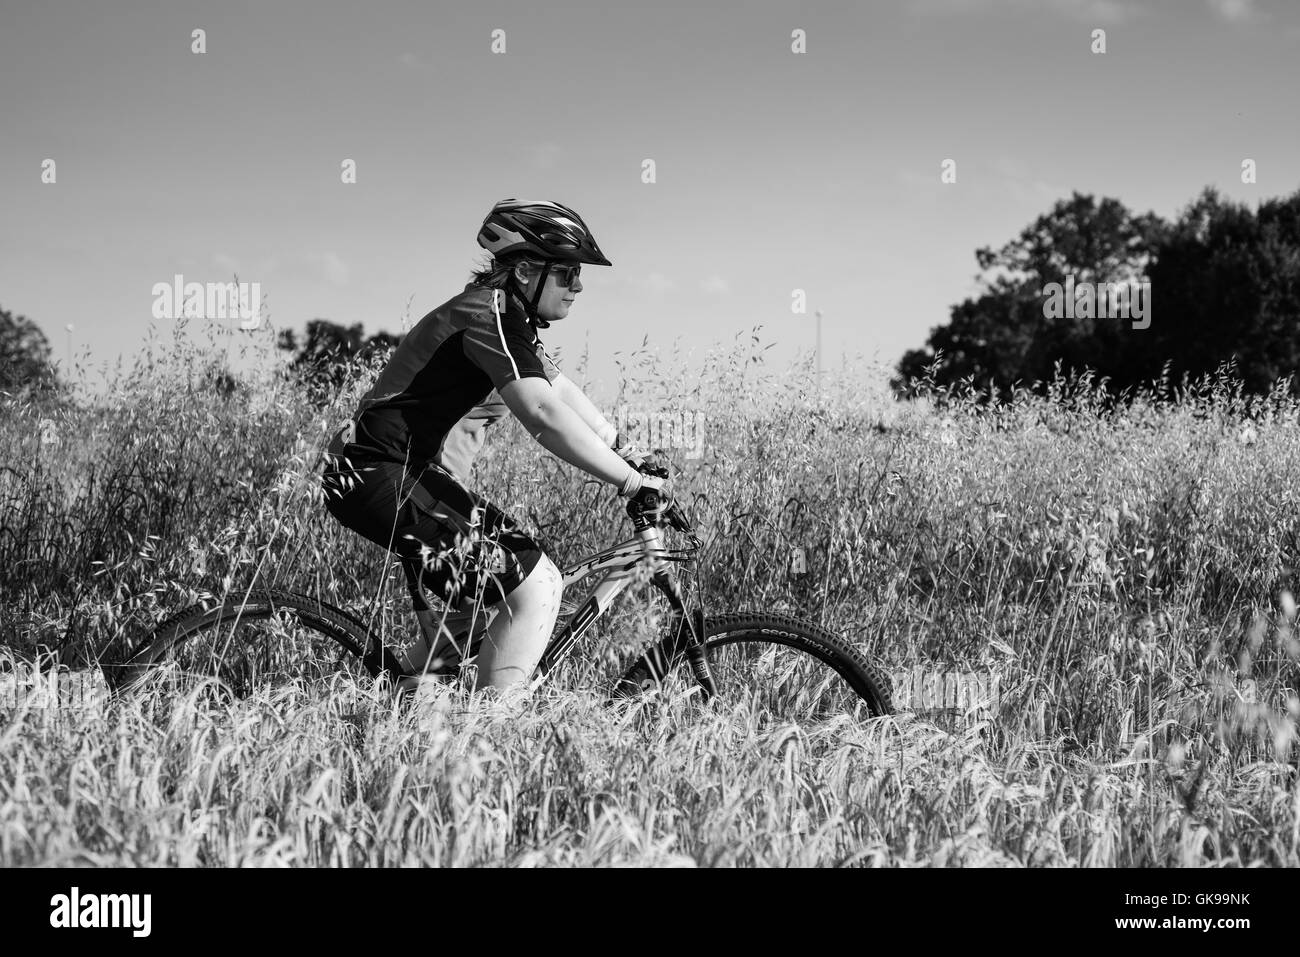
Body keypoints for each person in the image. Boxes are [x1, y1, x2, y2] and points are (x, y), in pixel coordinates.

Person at [321, 199, 669, 694]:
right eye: (568, 272)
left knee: (460, 634)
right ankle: (495, 738)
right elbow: (543, 415)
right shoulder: (491, 315)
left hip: (392, 472)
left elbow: (558, 389)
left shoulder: (506, 316)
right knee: (538, 584)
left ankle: (404, 726)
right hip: (382, 472)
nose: (579, 285)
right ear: (526, 269)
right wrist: (631, 481)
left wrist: (624, 448)